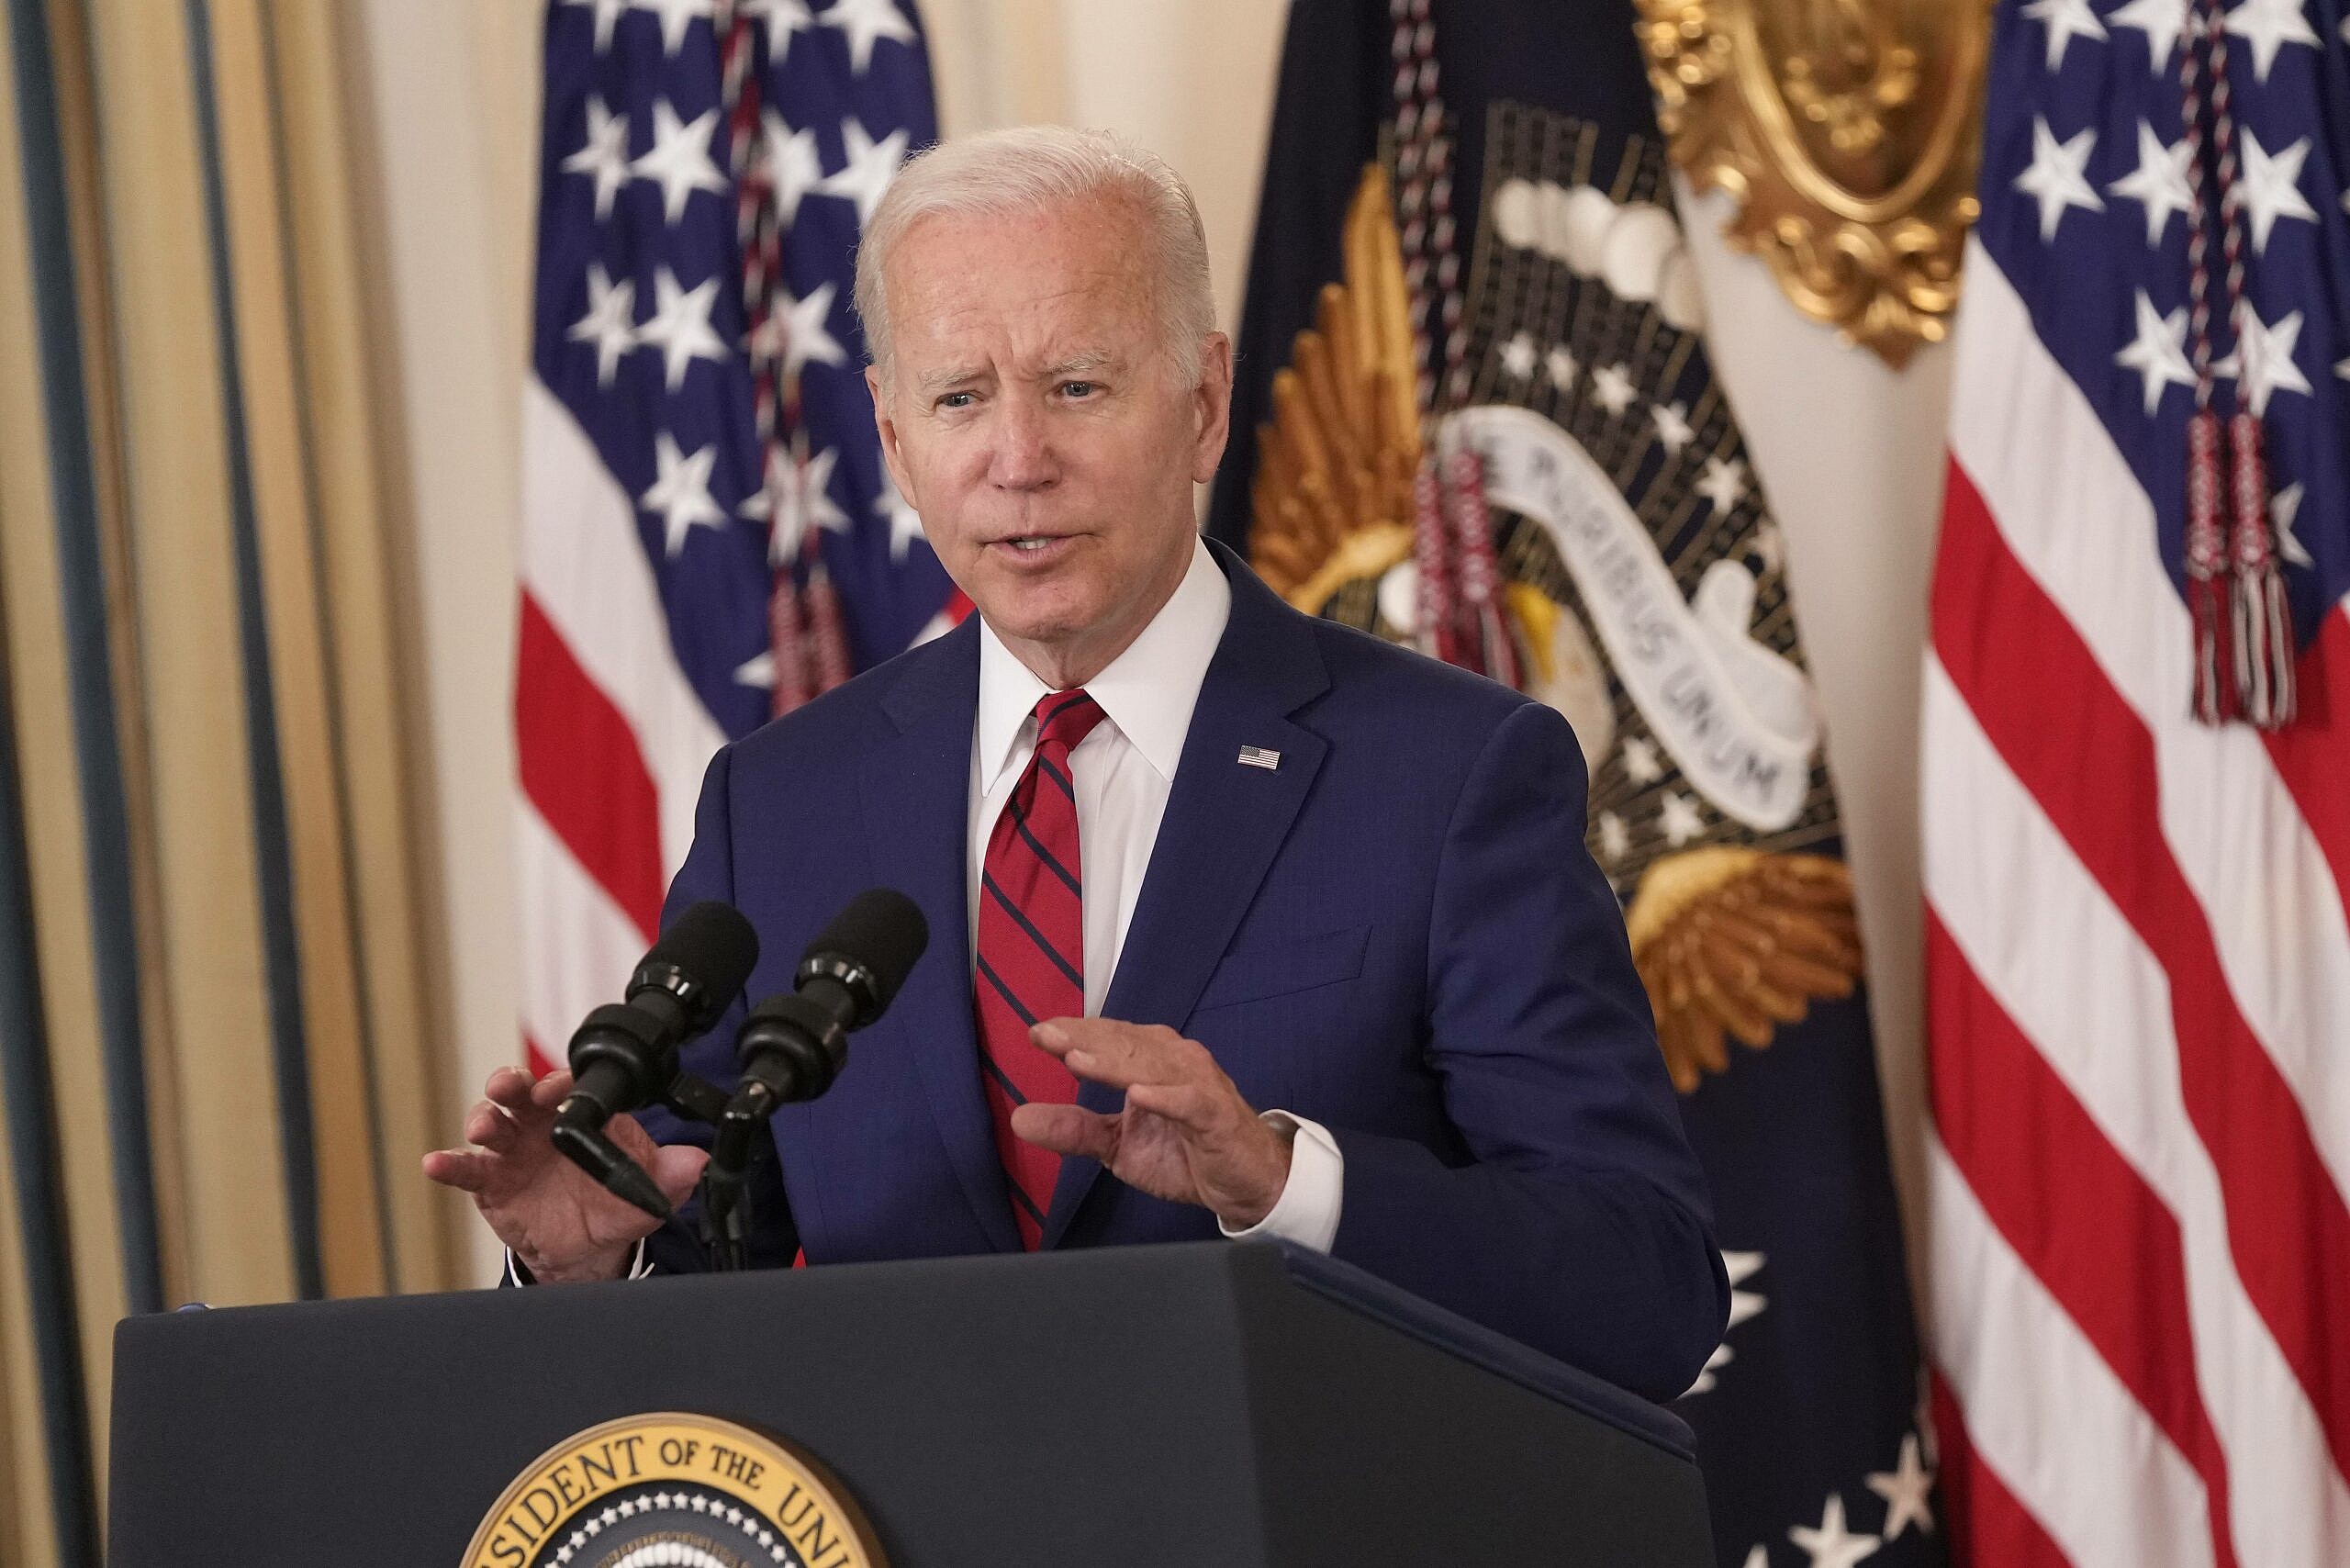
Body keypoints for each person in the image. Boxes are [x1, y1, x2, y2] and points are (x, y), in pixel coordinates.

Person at [425, 126, 1728, 1403]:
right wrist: (599, 1262)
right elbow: (733, 1299)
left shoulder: (1452, 777)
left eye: (1076, 387)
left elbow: (1648, 1289)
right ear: (892, 439)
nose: (1017, 462)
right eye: (958, 400)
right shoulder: (780, 806)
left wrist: (1283, 1186)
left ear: (1204, 404)